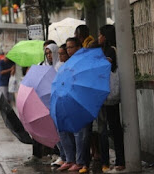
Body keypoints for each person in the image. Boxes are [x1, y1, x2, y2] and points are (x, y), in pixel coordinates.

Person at [57, 37, 91, 172]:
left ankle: (81, 161)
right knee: (72, 132)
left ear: (78, 47)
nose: (68, 50)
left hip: (82, 101)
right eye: (67, 48)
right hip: (70, 101)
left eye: (71, 47)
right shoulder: (68, 64)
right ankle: (73, 160)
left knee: (82, 134)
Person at [97, 24, 125, 173]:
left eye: (100, 35)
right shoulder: (108, 50)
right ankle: (119, 160)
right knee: (113, 127)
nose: (98, 37)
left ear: (106, 36)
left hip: (110, 93)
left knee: (114, 128)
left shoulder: (110, 50)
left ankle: (121, 160)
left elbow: (104, 67)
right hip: (108, 93)